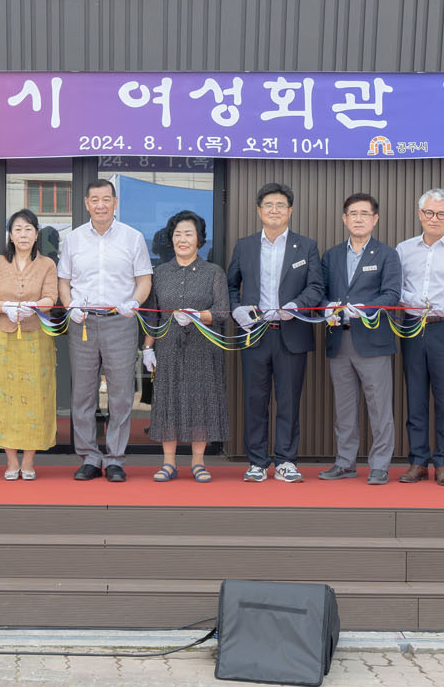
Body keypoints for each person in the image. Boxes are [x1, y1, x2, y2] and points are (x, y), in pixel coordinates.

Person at [227, 183, 326, 482]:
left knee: (289, 401)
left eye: (280, 205)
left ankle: (286, 461)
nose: (274, 210)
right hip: (254, 333)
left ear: (290, 211)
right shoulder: (245, 245)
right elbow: (230, 285)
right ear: (259, 211)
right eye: (268, 205)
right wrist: (237, 309)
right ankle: (257, 462)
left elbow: (316, 287)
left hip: (291, 332)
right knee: (255, 400)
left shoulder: (306, 246)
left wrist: (297, 305)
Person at [59, 178, 154, 483]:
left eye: (106, 199)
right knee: (83, 394)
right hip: (83, 322)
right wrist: (70, 305)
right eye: (95, 200)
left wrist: (134, 302)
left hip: (120, 321)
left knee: (121, 394)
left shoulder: (133, 238)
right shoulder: (72, 239)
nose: (100, 205)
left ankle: (115, 458)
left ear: (115, 202)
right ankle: (89, 457)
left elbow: (144, 280)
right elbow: (64, 281)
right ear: (86, 204)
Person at [315, 194, 403, 484]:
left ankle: (380, 465)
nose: (358, 218)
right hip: (339, 339)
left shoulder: (387, 254)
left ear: (375, 219)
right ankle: (345, 463)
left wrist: (365, 309)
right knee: (344, 408)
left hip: (373, 341)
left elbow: (392, 294)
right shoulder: (331, 255)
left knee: (379, 407)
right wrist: (326, 306)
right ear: (344, 219)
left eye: (365, 213)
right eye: (353, 213)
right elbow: (320, 292)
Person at [394, 188, 444, 487]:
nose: (434, 218)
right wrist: (412, 300)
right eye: (429, 212)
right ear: (420, 214)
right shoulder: (403, 249)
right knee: (415, 396)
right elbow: (396, 287)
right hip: (413, 326)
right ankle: (418, 461)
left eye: (441, 214)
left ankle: (443, 463)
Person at [145, 209, 229, 482]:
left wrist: (199, 315)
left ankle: (198, 462)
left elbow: (223, 311)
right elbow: (153, 315)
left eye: (188, 234)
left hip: (203, 347)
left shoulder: (213, 272)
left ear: (199, 239)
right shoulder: (160, 273)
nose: (182, 239)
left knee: (200, 401)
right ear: (171, 239)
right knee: (167, 401)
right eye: (178, 234)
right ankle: (168, 463)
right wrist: (147, 348)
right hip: (167, 345)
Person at [0, 209, 60, 478]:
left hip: (36, 337)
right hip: (1, 338)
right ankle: (11, 460)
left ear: (36, 235)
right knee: (2, 397)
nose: (23, 234)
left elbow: (51, 297)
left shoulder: (47, 265)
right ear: (10, 236)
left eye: (28, 229)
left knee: (36, 397)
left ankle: (29, 461)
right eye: (17, 229)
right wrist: (6, 306)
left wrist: (34, 307)